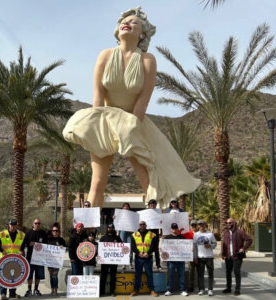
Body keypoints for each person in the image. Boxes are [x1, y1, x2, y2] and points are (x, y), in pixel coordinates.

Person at [63, 6, 200, 208]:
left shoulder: (147, 60)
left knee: (146, 177)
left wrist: (132, 125)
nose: (126, 23)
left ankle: (156, 227)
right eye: (123, 22)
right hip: (105, 119)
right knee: (97, 181)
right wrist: (95, 126)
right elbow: (98, 95)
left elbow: (144, 99)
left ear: (142, 33)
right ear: (118, 30)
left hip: (133, 121)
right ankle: (87, 233)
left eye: (134, 22)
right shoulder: (105, 55)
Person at [222, 218, 252, 296]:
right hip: (228, 256)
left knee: (237, 273)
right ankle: (228, 288)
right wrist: (223, 254)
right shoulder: (225, 233)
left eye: (230, 223)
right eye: (227, 223)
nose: (228, 224)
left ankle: (237, 289)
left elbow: (249, 240)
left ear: (234, 223)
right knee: (228, 273)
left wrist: (243, 248)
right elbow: (223, 244)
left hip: (237, 256)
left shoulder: (240, 232)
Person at [0, 218, 25, 300]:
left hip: (15, 260)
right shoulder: (2, 234)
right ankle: (3, 294)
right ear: (9, 225)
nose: (13, 226)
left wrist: (21, 251)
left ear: (17, 225)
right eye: (11, 225)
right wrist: (2, 251)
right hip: (4, 259)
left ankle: (12, 294)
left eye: (14, 225)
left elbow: (22, 246)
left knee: (14, 277)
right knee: (3, 277)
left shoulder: (21, 235)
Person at [20, 218, 48, 297]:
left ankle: (36, 289)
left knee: (38, 275)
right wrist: (22, 250)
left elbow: (47, 244)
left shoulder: (43, 233)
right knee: (30, 274)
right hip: (30, 257)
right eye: (36, 223)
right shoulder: (28, 233)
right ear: (33, 224)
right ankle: (29, 290)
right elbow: (23, 244)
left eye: (39, 223)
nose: (37, 225)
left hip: (40, 258)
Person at [130, 221, 158, 297]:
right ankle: (136, 290)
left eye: (143, 224)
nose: (142, 225)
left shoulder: (152, 234)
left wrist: (147, 253)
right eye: (141, 224)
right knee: (138, 275)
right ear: (139, 226)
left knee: (149, 274)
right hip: (138, 257)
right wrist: (138, 253)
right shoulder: (134, 234)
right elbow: (133, 247)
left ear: (146, 225)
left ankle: (152, 290)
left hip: (148, 257)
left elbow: (154, 246)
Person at [163, 223, 188, 297]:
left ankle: (182, 290)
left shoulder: (182, 237)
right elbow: (163, 247)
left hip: (180, 259)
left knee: (182, 275)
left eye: (175, 228)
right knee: (170, 275)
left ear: (177, 229)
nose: (174, 230)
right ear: (171, 229)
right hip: (171, 260)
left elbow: (186, 247)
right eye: (173, 228)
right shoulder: (167, 237)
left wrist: (190, 249)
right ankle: (169, 290)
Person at [193, 219, 217, 296]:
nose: (201, 226)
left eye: (202, 224)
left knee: (211, 273)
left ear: (205, 225)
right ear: (198, 226)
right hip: (200, 257)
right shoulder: (196, 235)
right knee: (200, 274)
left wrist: (211, 246)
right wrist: (195, 257)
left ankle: (210, 289)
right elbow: (195, 247)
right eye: (199, 224)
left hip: (209, 257)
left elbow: (215, 244)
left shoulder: (210, 234)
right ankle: (201, 289)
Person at [99, 223, 123, 297]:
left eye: (112, 228)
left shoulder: (117, 238)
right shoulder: (103, 238)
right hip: (104, 261)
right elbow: (100, 249)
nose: (110, 229)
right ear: (107, 229)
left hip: (114, 261)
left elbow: (122, 247)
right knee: (103, 276)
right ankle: (101, 291)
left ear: (113, 229)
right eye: (109, 228)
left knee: (113, 276)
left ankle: (112, 291)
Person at [47, 223, 66, 296]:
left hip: (57, 261)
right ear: (52, 231)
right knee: (51, 275)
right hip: (49, 261)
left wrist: (62, 247)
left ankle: (56, 290)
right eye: (54, 230)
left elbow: (65, 248)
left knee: (55, 275)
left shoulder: (61, 240)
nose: (55, 232)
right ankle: (52, 290)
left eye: (57, 231)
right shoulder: (49, 239)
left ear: (59, 231)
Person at [181, 219, 198, 293]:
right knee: (191, 272)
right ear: (190, 226)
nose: (193, 226)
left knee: (200, 271)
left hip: (200, 255)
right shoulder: (187, 233)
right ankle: (191, 286)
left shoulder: (200, 233)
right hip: (191, 256)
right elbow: (178, 234)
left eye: (195, 225)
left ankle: (201, 286)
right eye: (192, 225)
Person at [118, 202, 134, 270]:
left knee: (130, 247)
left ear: (129, 207)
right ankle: (123, 263)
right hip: (122, 231)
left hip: (130, 232)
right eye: (124, 206)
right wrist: (114, 218)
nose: (126, 207)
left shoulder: (131, 214)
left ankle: (130, 263)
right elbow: (116, 222)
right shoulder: (119, 214)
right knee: (123, 247)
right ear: (122, 207)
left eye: (127, 206)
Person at [147, 199, 162, 270]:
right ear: (149, 205)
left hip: (155, 232)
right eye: (151, 204)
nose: (152, 205)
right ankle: (148, 265)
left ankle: (158, 264)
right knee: (148, 248)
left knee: (156, 249)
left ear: (155, 205)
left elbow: (161, 222)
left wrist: (161, 231)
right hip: (148, 232)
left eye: (154, 204)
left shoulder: (158, 212)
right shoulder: (145, 212)